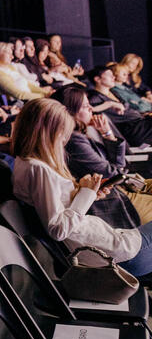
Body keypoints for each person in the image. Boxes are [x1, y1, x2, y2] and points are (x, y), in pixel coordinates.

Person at [11, 98, 152, 278]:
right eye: (63, 135)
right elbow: (58, 229)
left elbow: (59, 209)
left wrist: (87, 194)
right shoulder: (38, 169)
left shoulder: (24, 162)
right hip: (113, 255)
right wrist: (86, 193)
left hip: (108, 248)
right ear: (51, 133)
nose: (64, 141)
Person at [57, 86, 152, 226]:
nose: (91, 108)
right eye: (85, 106)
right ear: (70, 112)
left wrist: (108, 135)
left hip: (123, 187)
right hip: (116, 200)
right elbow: (114, 173)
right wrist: (107, 135)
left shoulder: (84, 132)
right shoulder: (74, 141)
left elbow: (119, 166)